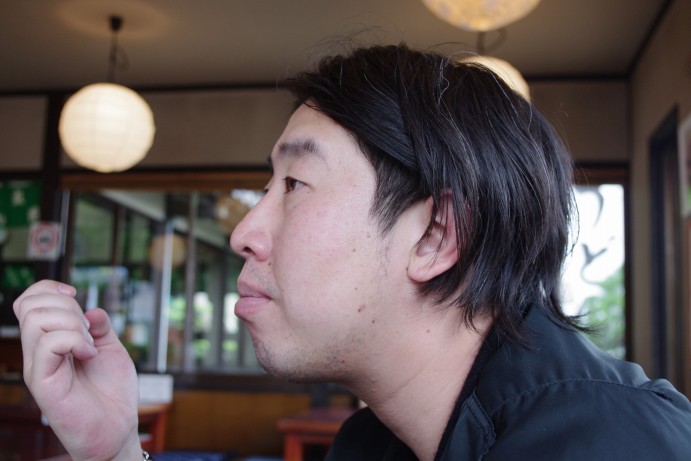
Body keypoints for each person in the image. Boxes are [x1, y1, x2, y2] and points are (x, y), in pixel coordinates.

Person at [13, 43, 691, 461]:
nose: (244, 232)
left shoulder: (607, 442)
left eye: (295, 185)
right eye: (266, 187)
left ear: (435, 236)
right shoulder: (373, 442)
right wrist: (115, 449)